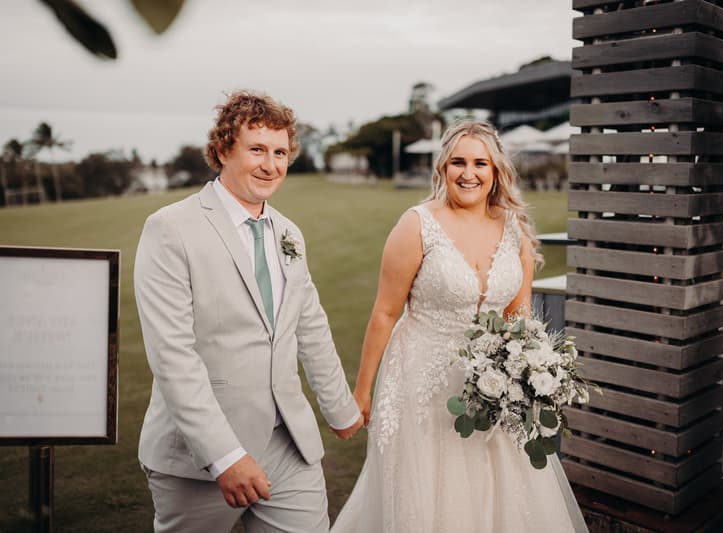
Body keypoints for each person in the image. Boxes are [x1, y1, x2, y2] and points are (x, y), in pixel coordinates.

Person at [331, 121, 588, 532]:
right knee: (428, 492)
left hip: (493, 387)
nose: (468, 173)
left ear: (495, 171)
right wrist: (362, 392)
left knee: (497, 486)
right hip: (420, 381)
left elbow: (518, 316)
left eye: (479, 163)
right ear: (443, 169)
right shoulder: (416, 224)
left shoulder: (515, 229)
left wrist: (527, 371)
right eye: (458, 162)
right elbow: (384, 313)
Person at [134, 90, 363, 533]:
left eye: (280, 153)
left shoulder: (288, 232)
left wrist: (341, 410)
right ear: (222, 150)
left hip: (289, 445)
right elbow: (172, 356)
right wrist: (224, 456)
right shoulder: (171, 229)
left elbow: (310, 325)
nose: (271, 165)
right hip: (200, 458)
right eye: (256, 150)